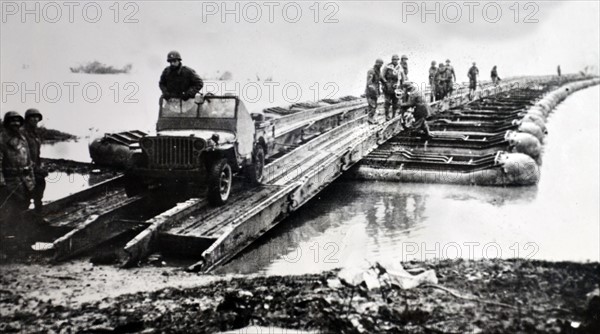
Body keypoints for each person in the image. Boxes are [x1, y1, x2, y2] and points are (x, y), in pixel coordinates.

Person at [0, 111, 35, 224]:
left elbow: (28, 160)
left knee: (25, 203)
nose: (15, 123)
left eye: (18, 121)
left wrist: (32, 178)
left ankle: (21, 230)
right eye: (12, 121)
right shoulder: (2, 139)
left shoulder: (23, 138)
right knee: (11, 208)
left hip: (25, 179)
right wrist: (1, 183)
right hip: (11, 180)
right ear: (7, 123)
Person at [22, 108, 47, 213]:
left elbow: (37, 154)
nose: (35, 119)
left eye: (37, 117)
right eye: (32, 117)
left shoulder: (35, 134)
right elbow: (22, 155)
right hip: (25, 169)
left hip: (35, 168)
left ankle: (38, 217)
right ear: (27, 119)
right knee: (25, 197)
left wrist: (40, 166)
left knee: (39, 192)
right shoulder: (22, 134)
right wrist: (35, 168)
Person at [381, 55, 402, 120]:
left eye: (397, 60)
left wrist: (399, 85)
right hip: (388, 87)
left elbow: (401, 77)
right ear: (392, 60)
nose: (396, 61)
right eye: (394, 60)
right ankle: (387, 116)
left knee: (395, 102)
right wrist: (386, 83)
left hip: (396, 87)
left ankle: (393, 115)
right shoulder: (387, 66)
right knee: (387, 102)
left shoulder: (399, 67)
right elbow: (382, 76)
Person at [365, 59, 385, 124]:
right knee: (372, 106)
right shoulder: (371, 71)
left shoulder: (378, 71)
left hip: (375, 91)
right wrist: (374, 90)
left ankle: (371, 118)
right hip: (370, 92)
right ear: (376, 63)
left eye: (382, 64)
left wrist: (386, 83)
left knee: (374, 106)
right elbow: (369, 83)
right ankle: (370, 119)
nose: (381, 65)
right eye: (380, 64)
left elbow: (382, 79)